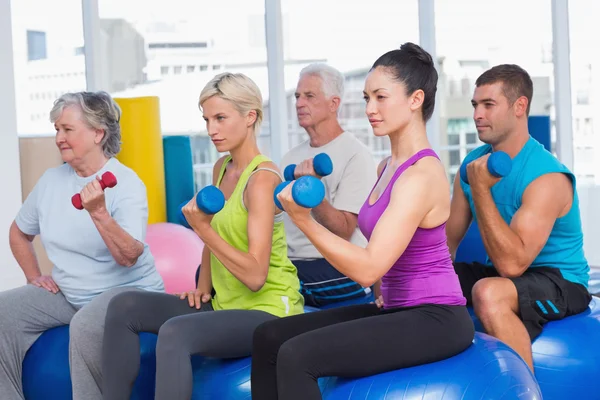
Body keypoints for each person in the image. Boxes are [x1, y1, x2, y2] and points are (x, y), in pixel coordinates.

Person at [251, 43, 475, 400]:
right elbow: (387, 253)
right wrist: (385, 285)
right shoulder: (386, 167)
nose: (370, 109)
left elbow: (368, 268)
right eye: (367, 97)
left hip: (437, 318)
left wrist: (304, 219)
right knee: (268, 337)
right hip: (396, 307)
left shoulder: (421, 175)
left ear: (415, 99)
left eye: (381, 97)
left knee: (297, 356)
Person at [101, 72, 304, 400]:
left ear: (250, 117)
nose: (212, 129)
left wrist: (202, 228)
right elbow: (214, 236)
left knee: (176, 334)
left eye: (221, 118)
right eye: (207, 119)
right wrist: (202, 287)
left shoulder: (262, 180)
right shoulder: (221, 168)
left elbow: (255, 275)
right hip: (224, 304)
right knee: (124, 306)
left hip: (268, 311)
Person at [0, 91, 165, 400]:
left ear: (97, 133)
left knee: (85, 325)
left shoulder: (127, 183)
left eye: (67, 129)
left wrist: (99, 212)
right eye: (57, 129)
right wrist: (33, 277)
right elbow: (18, 232)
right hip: (70, 294)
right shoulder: (51, 181)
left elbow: (129, 256)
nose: (59, 137)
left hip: (128, 295)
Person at [446, 64, 591, 371]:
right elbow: (446, 243)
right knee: (418, 275)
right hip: (502, 272)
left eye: (488, 105)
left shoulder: (546, 176)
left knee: (488, 293)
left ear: (519, 106)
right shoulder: (472, 164)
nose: (476, 115)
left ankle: (522, 392)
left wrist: (482, 190)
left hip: (559, 279)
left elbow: (513, 265)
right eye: (475, 105)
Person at [282, 63, 377, 307]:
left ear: (333, 104)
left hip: (337, 266)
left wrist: (312, 193)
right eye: (297, 96)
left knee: (280, 281)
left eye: (309, 96)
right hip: (294, 262)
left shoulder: (356, 155)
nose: (299, 103)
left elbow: (344, 229)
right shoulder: (290, 158)